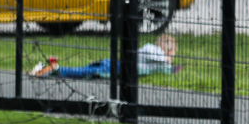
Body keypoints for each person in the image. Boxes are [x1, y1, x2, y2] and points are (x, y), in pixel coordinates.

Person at [30, 33, 178, 78]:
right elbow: (151, 56)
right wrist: (167, 60)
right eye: (172, 52)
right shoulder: (153, 49)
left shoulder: (158, 60)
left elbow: (163, 69)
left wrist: (172, 67)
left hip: (115, 64)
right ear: (167, 48)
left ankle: (47, 70)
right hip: (117, 66)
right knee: (84, 73)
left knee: (83, 70)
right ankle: (53, 69)